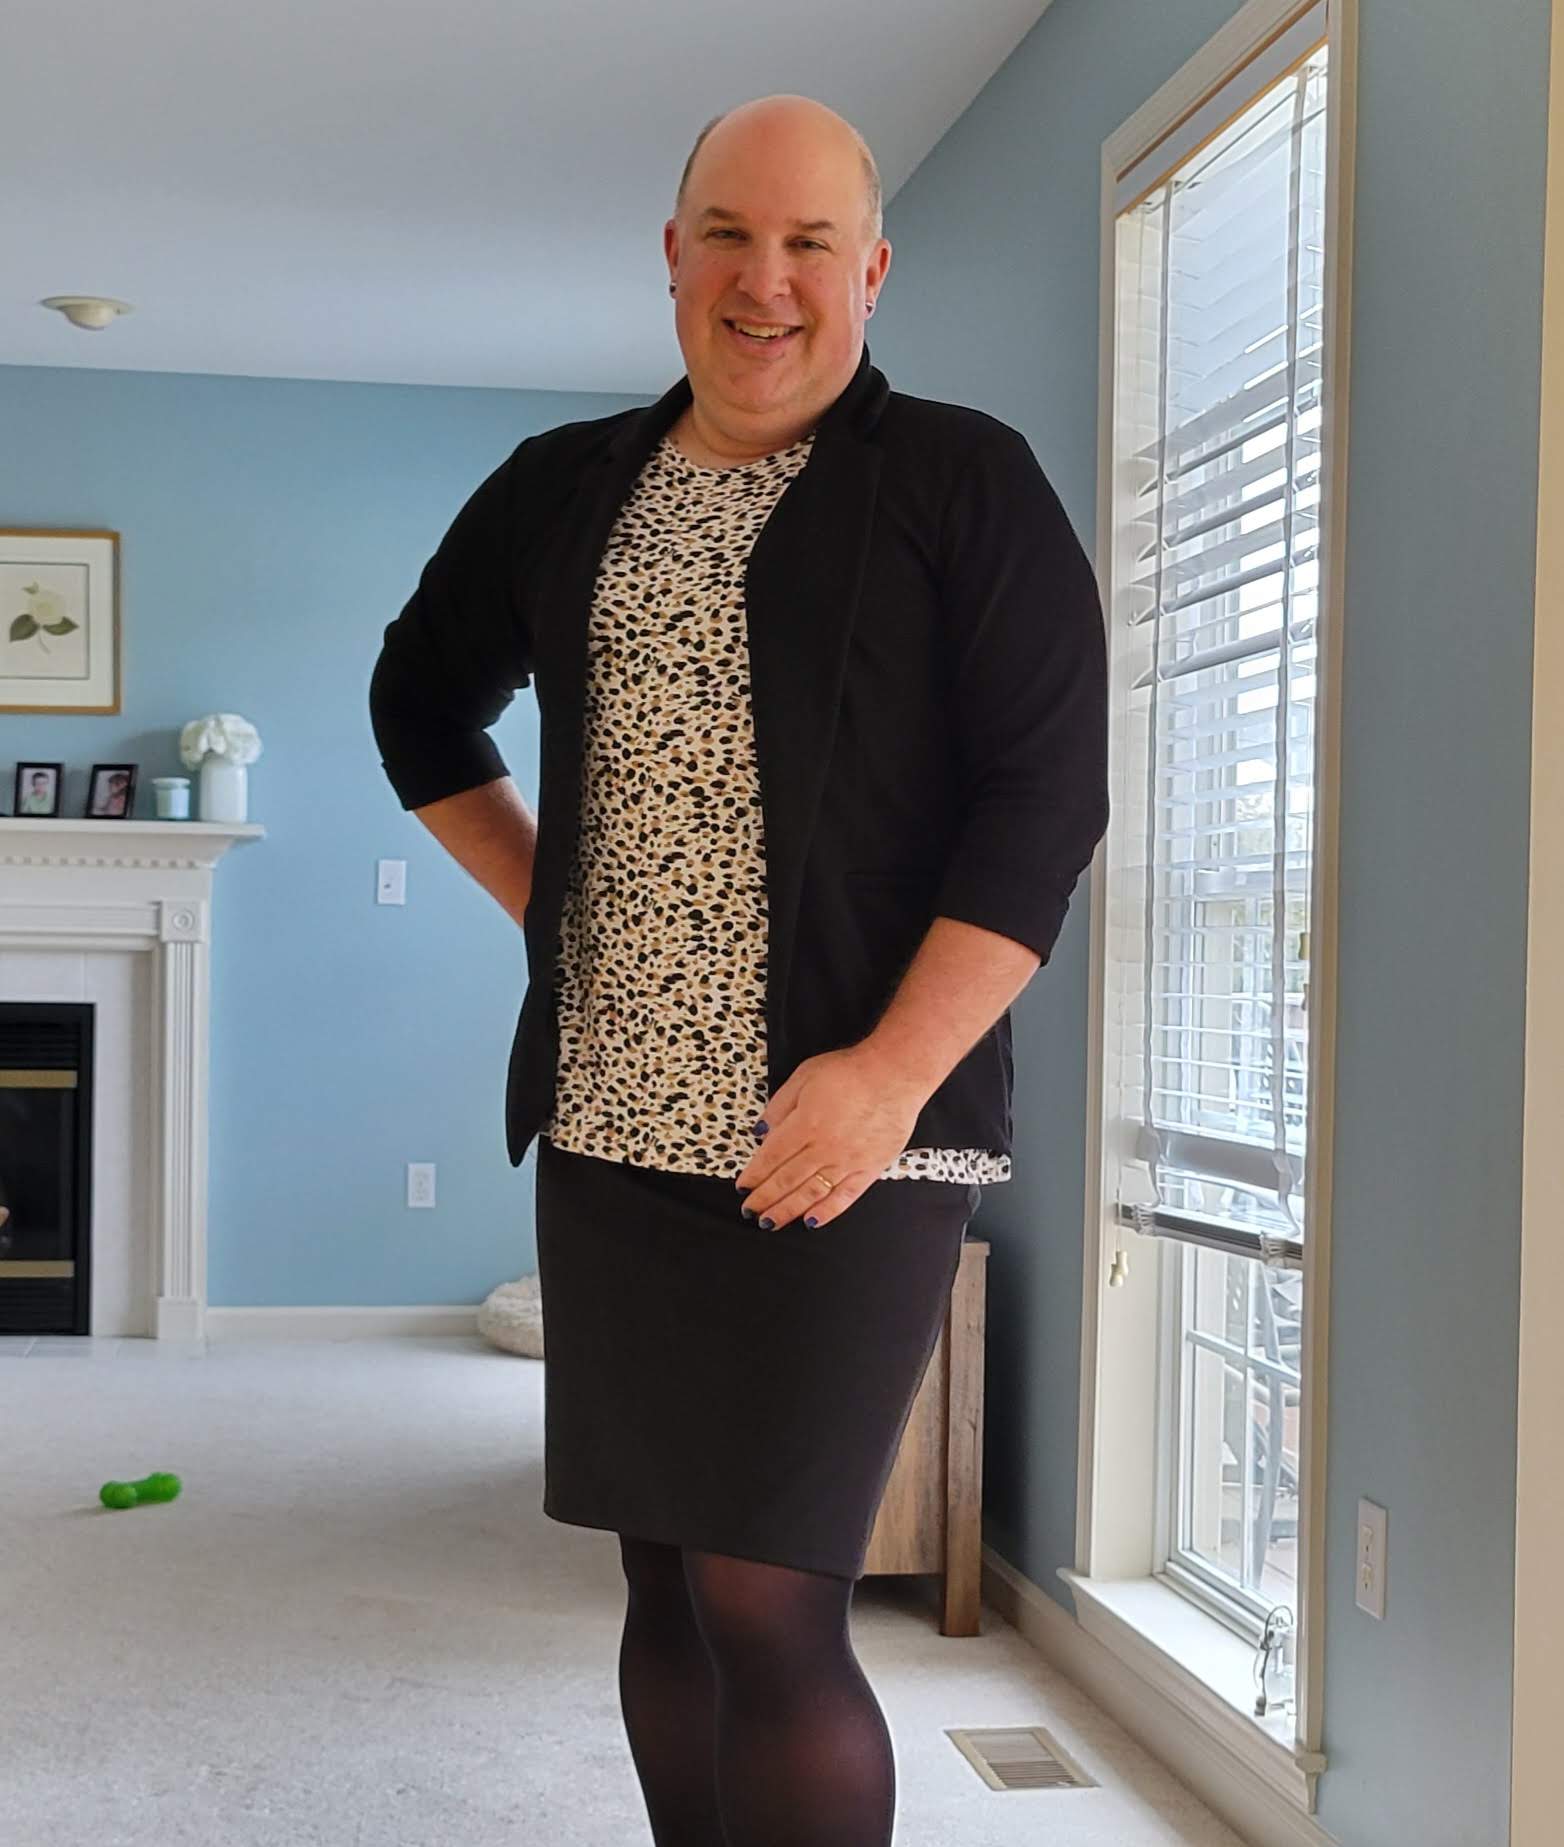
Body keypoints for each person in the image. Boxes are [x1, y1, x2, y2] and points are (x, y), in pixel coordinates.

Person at [369, 92, 1108, 1847]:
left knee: (773, 1602)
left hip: (846, 1136)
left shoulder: (959, 478)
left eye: (804, 244)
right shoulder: (567, 486)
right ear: (674, 253)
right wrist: (555, 904)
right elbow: (419, 699)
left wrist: (888, 1074)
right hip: (618, 1121)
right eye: (728, 234)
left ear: (869, 265)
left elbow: (1044, 798)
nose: (763, 281)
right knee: (670, 1595)